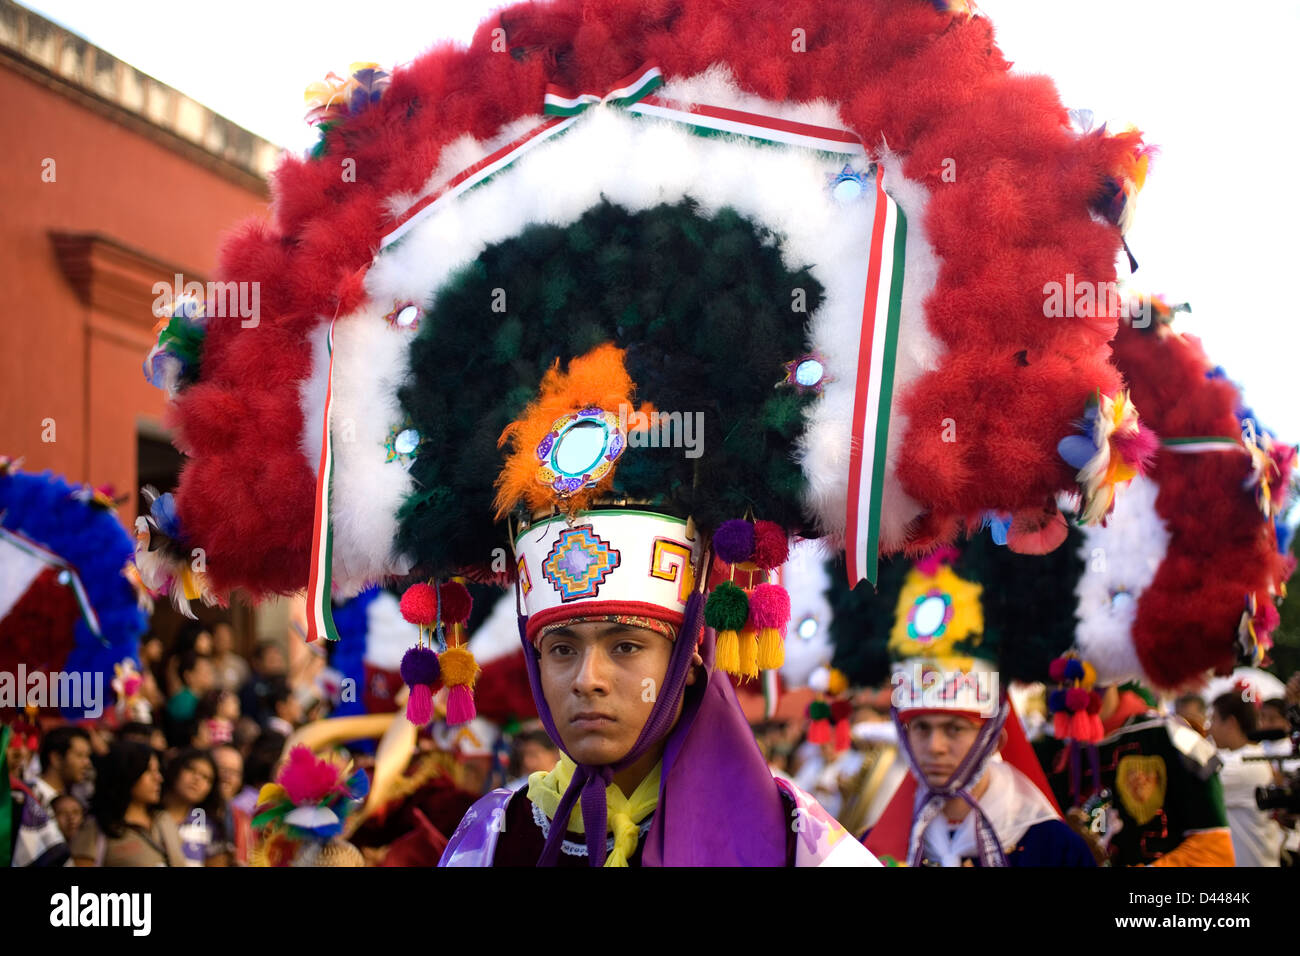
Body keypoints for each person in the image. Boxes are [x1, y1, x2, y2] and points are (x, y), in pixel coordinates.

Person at [70, 741, 185, 867]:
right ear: (126, 773)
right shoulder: (97, 828)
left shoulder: (164, 820)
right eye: (149, 771)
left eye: (158, 771)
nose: (158, 778)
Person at [1209, 691, 1283, 867]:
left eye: (1214, 719)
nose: (1209, 728)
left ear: (1231, 723)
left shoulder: (1243, 764)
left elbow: (1194, 787)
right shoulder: (1252, 756)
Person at [10, 726, 91, 867]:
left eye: (87, 756)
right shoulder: (28, 797)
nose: (87, 763)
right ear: (56, 758)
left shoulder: (75, 798)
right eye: (80, 756)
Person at [160, 748, 227, 866]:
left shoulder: (210, 826)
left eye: (206, 778)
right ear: (176, 769)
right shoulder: (148, 815)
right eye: (191, 769)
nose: (197, 779)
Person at [211, 621, 250, 693]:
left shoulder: (239, 664)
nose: (221, 640)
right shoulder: (204, 663)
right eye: (218, 635)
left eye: (225, 636)